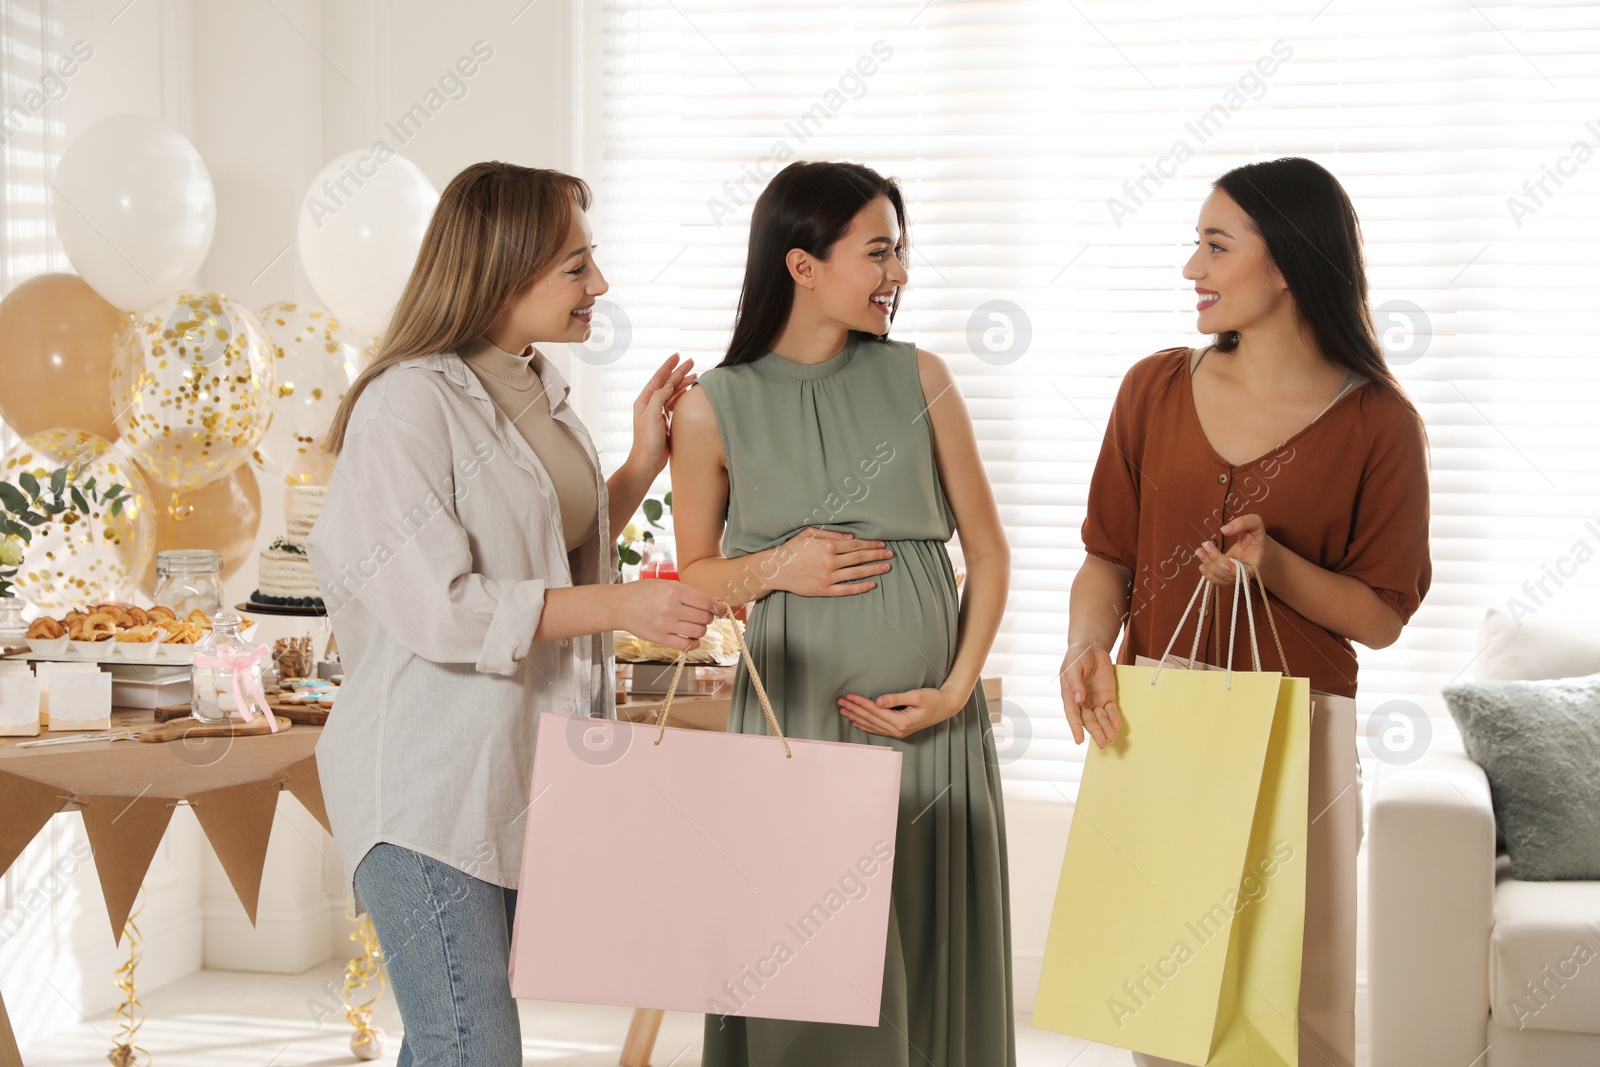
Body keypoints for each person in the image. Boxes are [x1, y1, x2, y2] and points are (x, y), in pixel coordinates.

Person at [307, 161, 721, 1066]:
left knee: (456, 1047)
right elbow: (445, 609)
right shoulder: (406, 405)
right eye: (576, 266)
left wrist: (640, 467)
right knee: (472, 1048)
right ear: (503, 270)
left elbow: (543, 553)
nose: (599, 286)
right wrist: (626, 605)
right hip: (424, 792)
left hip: (512, 780)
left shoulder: (540, 388)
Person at [1060, 156, 1431, 1067]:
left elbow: (1381, 617)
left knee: (1291, 1008)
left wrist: (1276, 569)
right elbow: (1105, 554)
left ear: (1289, 261)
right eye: (1197, 244)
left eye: (1216, 245)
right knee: (1161, 998)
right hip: (1161, 713)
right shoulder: (1151, 388)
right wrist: (1085, 645)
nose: (1194, 268)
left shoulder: (1379, 423)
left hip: (1300, 731)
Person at [670, 160, 1017, 1066]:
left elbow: (987, 551)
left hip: (928, 728)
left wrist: (954, 691)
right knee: (804, 956)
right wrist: (782, 563)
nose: (898, 273)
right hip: (799, 720)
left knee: (925, 940)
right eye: (878, 252)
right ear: (802, 264)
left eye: (899, 251)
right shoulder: (712, 406)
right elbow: (699, 578)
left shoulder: (921, 377)